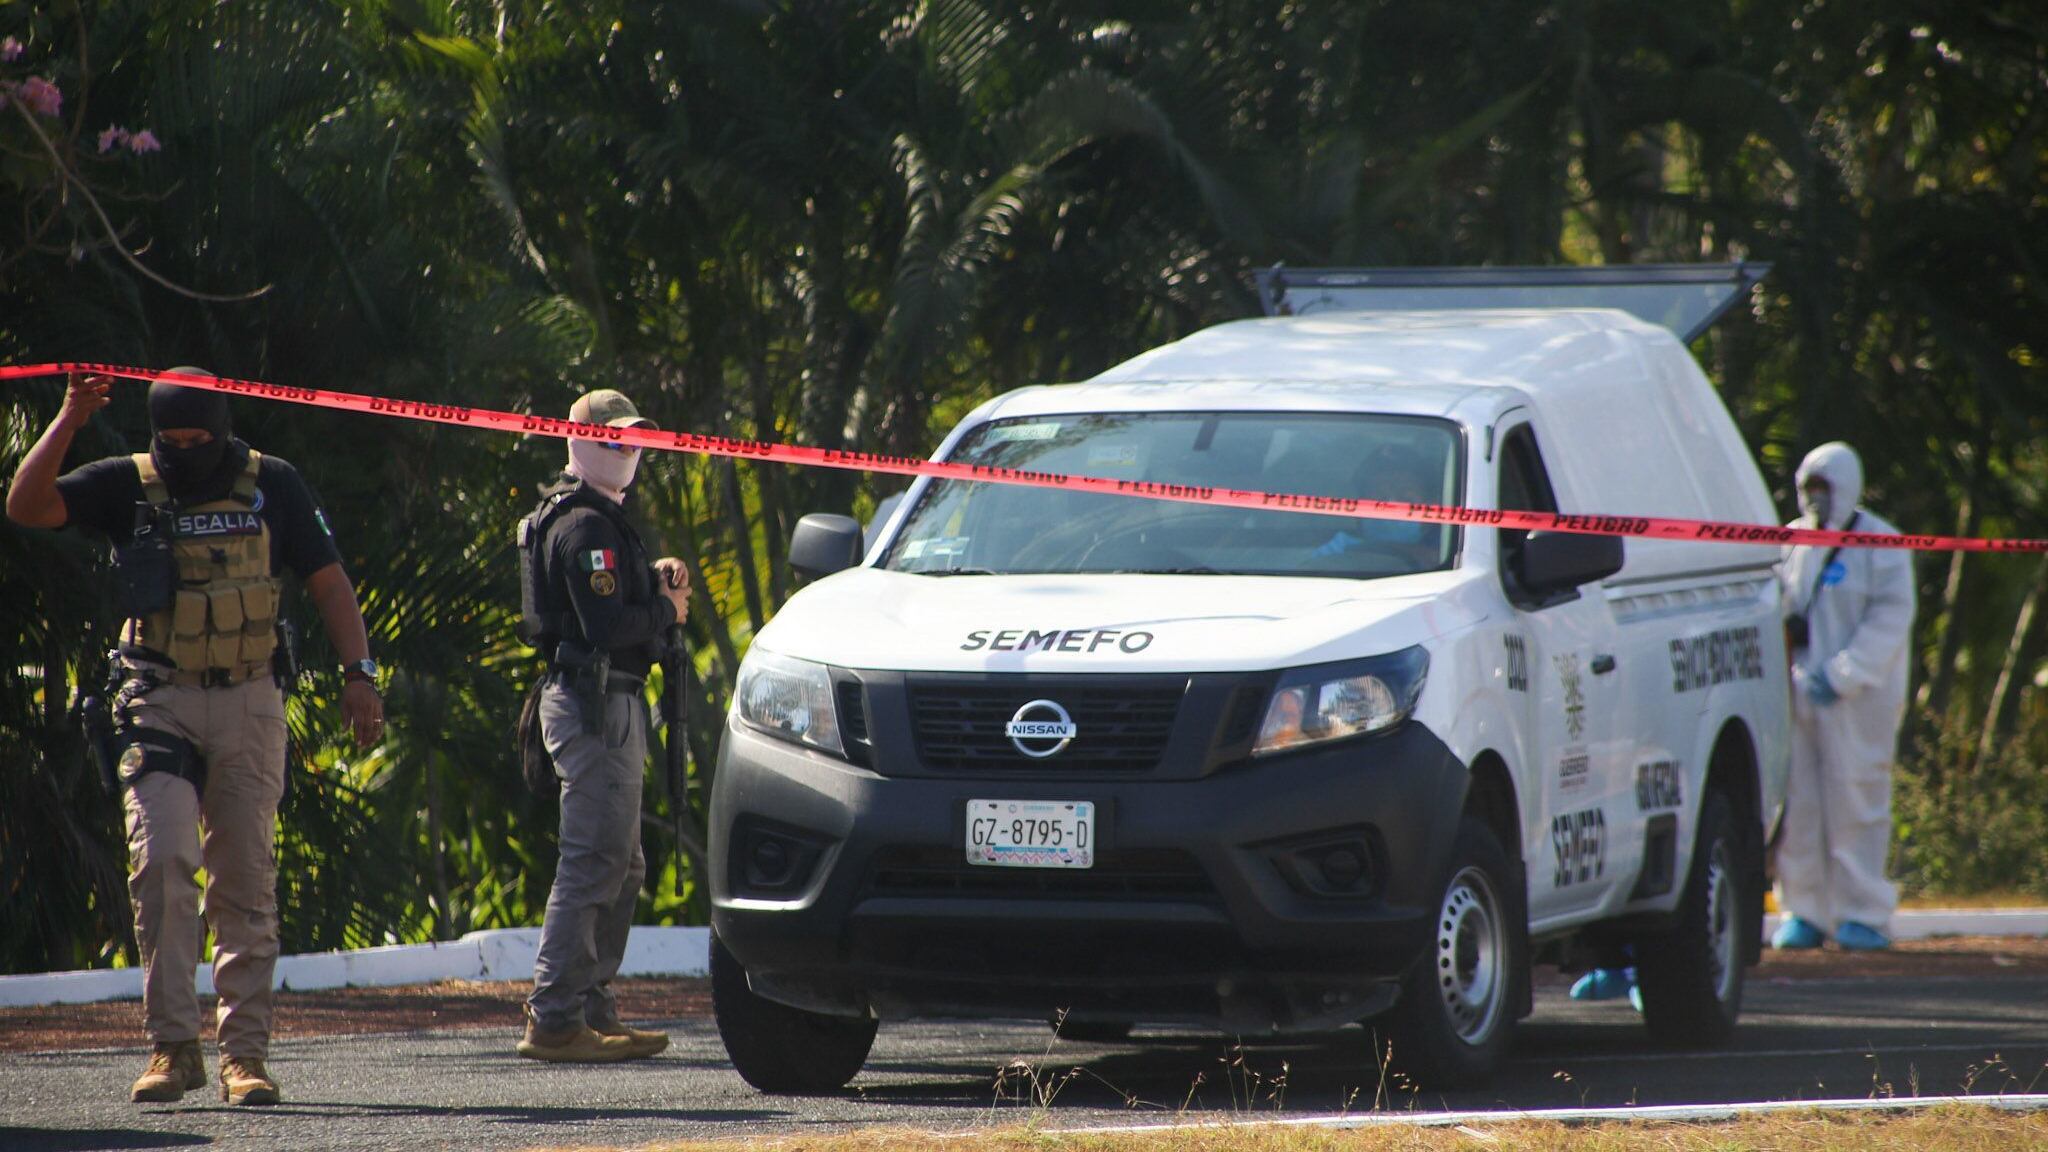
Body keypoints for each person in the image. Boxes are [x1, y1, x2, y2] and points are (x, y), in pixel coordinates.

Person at [6, 369, 382, 1106]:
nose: (182, 453)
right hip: (158, 698)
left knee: (244, 883)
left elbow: (330, 582)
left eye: (196, 441)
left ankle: (245, 1058)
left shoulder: (274, 484)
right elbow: (26, 505)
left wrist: (359, 674)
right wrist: (69, 421)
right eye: (169, 441)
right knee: (165, 864)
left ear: (222, 430)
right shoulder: (127, 484)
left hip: (249, 702)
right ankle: (173, 1048)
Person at [515, 388, 690, 1062]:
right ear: (582, 440)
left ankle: (589, 1002)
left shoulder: (596, 518)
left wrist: (652, 575)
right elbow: (607, 624)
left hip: (608, 701)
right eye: (614, 438)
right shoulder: (585, 525)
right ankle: (555, 1013)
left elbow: (611, 593)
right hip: (593, 704)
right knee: (594, 859)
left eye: (634, 437)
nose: (628, 449)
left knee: (623, 861)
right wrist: (668, 610)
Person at [1771, 441, 1916, 952]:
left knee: (1857, 799)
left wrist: (1842, 674)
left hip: (1858, 700)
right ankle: (1804, 910)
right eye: (1808, 489)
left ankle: (1863, 913)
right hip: (1798, 693)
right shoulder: (1790, 541)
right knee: (1801, 805)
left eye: (1823, 489)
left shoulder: (1882, 543)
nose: (1815, 499)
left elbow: (1891, 617)